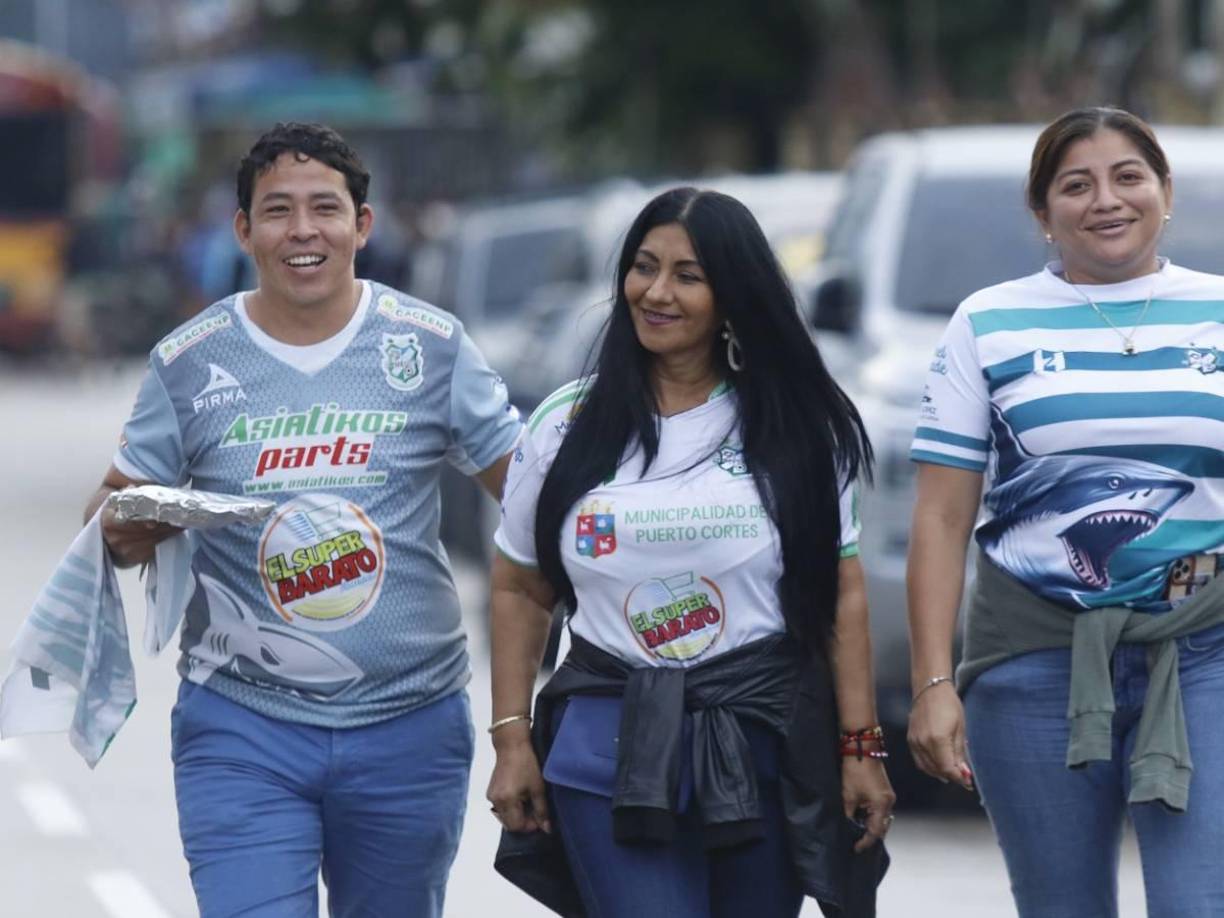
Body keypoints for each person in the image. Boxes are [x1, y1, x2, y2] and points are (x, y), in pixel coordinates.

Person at [85, 122, 522, 917]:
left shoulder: (429, 346)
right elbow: (108, 521)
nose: (303, 230)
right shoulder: (189, 361)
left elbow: (529, 499)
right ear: (244, 230)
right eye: (277, 211)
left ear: (363, 224)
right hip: (243, 726)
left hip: (410, 723)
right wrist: (133, 521)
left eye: (325, 208)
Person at [486, 186, 893, 918]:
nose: (657, 292)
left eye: (688, 276)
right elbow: (519, 588)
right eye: (643, 268)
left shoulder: (799, 427)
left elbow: (842, 593)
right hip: (604, 743)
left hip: (762, 742)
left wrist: (859, 748)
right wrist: (512, 738)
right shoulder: (564, 425)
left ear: (733, 295)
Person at [906, 106, 1224, 917]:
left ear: (1164, 192)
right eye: (1075, 185)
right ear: (1043, 213)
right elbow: (942, 519)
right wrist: (933, 683)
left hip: (1204, 651)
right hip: (1033, 661)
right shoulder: (988, 321)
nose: (1106, 201)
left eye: (1128, 177)